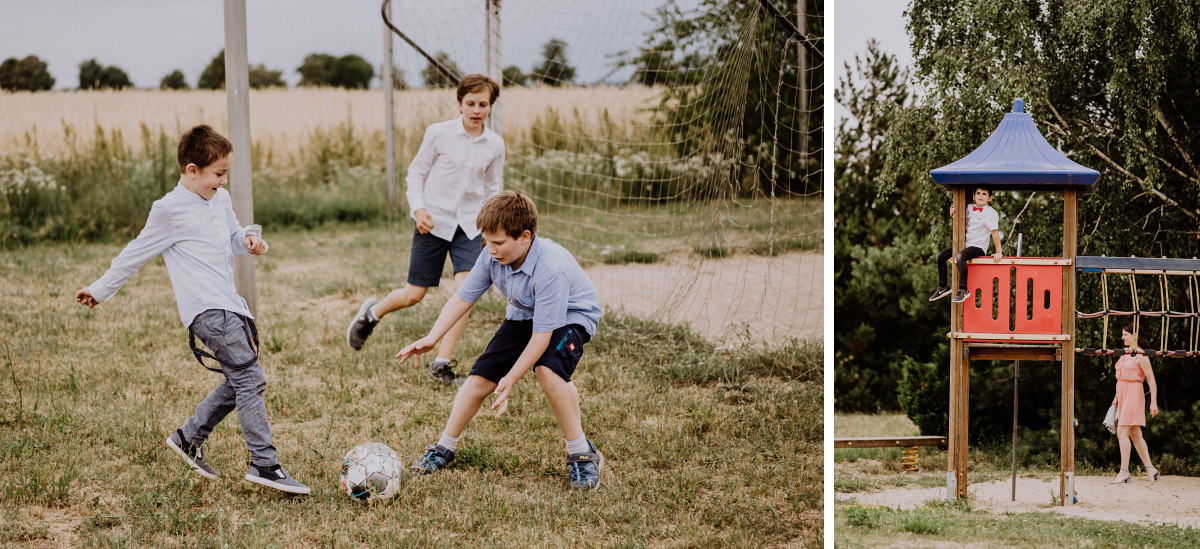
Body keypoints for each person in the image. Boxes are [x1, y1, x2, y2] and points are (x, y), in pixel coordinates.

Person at [74, 125, 309, 495]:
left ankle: (187, 439)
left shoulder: (220, 199)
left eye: (226, 173)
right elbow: (135, 253)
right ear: (192, 170)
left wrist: (249, 240)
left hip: (230, 304)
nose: (223, 180)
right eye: (218, 174)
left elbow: (232, 237)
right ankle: (265, 464)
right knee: (250, 379)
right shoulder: (168, 210)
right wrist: (101, 289)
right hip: (206, 309)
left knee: (239, 379)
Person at [395, 191, 605, 490]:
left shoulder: (550, 269)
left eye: (498, 242)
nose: (491, 249)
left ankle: (582, 454)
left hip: (571, 316)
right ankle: (443, 448)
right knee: (480, 378)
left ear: (525, 237)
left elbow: (542, 336)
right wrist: (432, 337)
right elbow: (462, 298)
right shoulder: (491, 257)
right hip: (524, 313)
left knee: (548, 370)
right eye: (486, 241)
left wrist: (511, 378)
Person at [347, 74, 505, 387]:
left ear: (490, 107)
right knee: (413, 294)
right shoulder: (439, 133)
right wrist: (418, 209)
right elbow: (416, 174)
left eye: (482, 104)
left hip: (471, 227)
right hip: (433, 221)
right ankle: (372, 313)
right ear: (459, 103)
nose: (476, 109)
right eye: (470, 103)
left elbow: (492, 188)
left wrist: (490, 230)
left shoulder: (494, 145)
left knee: (466, 293)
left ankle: (441, 365)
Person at [929, 187, 1003, 303]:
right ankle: (943, 287)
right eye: (978, 193)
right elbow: (961, 220)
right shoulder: (969, 208)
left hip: (978, 247)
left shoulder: (991, 213)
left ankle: (963, 290)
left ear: (990, 198)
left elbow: (995, 234)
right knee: (940, 256)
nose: (980, 196)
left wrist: (999, 252)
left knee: (960, 256)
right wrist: (953, 214)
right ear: (973, 196)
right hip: (965, 245)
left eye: (984, 194)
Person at [1110, 324, 1159, 484]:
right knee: (1135, 435)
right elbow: (1121, 378)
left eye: (1125, 334)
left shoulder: (1140, 356)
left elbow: (1151, 380)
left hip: (1134, 395)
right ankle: (1151, 469)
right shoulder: (1125, 354)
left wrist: (1153, 402)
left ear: (1134, 335)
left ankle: (1124, 472)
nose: (1123, 337)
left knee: (1122, 432)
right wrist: (1116, 398)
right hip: (1123, 395)